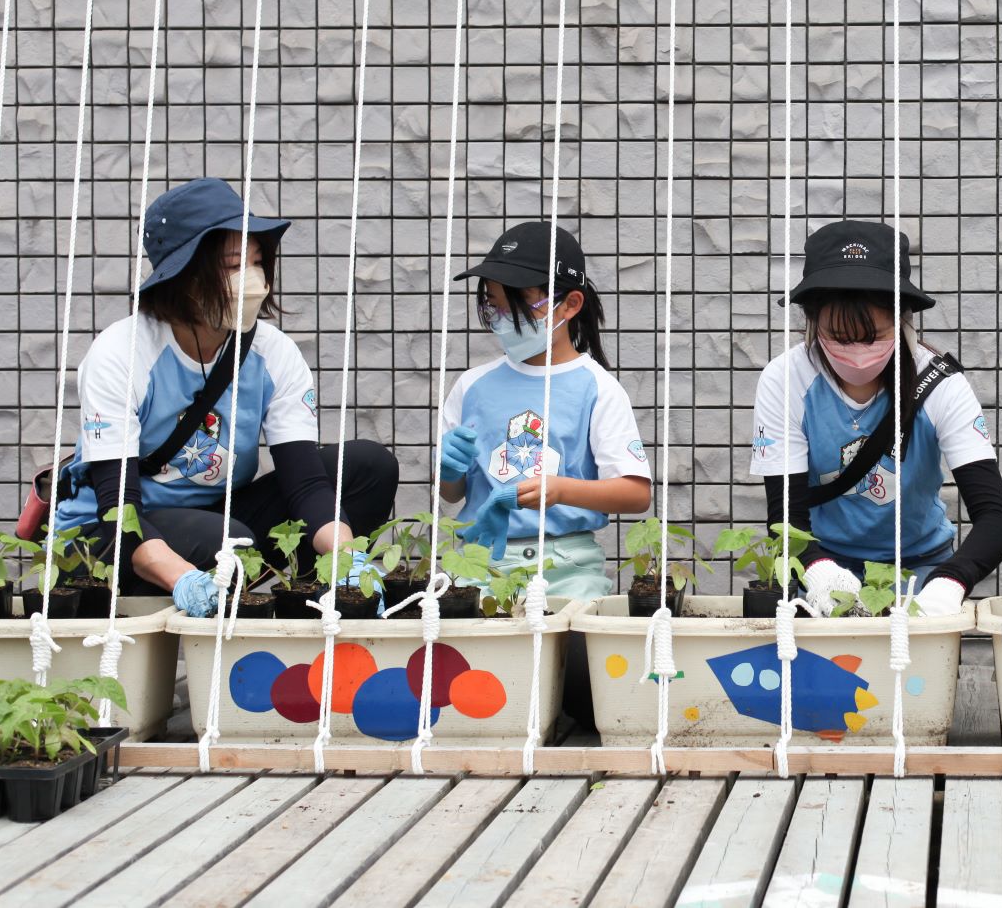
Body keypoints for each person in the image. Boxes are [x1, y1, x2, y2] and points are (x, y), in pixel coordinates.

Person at [55, 178, 397, 616]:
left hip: (217, 515)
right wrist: (181, 577)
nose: (252, 280)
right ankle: (201, 591)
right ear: (183, 276)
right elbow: (118, 508)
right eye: (233, 266)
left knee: (368, 467)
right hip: (111, 530)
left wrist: (348, 559)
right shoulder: (122, 352)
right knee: (229, 539)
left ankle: (314, 607)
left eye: (256, 262)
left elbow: (306, 483)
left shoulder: (273, 352)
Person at [749, 220, 1002, 617]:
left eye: (872, 336)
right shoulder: (786, 380)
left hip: (921, 566)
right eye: (838, 335)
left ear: (903, 320)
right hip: (825, 568)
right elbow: (785, 516)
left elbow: (994, 516)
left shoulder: (940, 384)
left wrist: (950, 581)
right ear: (811, 319)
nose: (856, 350)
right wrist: (819, 570)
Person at [439, 222, 651, 600]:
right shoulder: (471, 386)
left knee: (573, 652)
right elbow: (453, 494)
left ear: (570, 304)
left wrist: (560, 490)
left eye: (517, 306)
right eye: (492, 305)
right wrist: (449, 470)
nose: (502, 319)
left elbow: (635, 493)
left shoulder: (596, 387)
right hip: (481, 563)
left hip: (567, 566)